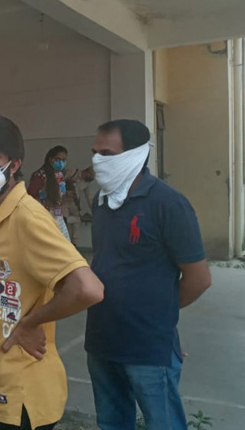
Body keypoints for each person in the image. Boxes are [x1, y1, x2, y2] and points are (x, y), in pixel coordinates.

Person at [0, 114, 104, 430]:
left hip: (22, 391)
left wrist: (32, 321)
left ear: (14, 163)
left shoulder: (26, 217)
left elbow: (87, 288)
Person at [85, 119, 212, 430]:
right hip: (102, 339)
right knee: (112, 422)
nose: (97, 161)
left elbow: (198, 278)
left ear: (135, 155)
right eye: (95, 152)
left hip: (147, 346)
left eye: (107, 153)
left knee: (163, 422)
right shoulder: (101, 202)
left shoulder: (168, 204)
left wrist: (161, 316)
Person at [27, 146, 70, 241]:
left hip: (57, 215)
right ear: (50, 159)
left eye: (63, 160)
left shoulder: (60, 175)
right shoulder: (40, 175)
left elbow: (62, 194)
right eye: (58, 159)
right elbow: (30, 196)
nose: (61, 163)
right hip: (42, 216)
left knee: (63, 243)